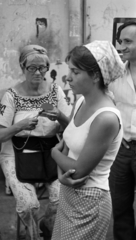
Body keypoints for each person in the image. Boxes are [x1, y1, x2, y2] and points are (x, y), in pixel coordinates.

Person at [0, 44, 72, 240]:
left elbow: (71, 126)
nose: (38, 72)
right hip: (17, 151)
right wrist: (20, 125)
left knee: (61, 197)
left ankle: (47, 222)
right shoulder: (11, 96)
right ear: (22, 67)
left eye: (42, 68)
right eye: (32, 68)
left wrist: (60, 116)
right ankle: (34, 233)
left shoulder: (54, 91)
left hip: (50, 151)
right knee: (28, 204)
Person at [50, 40, 125, 240]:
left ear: (95, 75)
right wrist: (60, 175)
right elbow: (68, 146)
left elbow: (78, 172)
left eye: (75, 72)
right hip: (68, 193)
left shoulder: (106, 118)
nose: (68, 77)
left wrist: (53, 153)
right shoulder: (82, 100)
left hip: (90, 200)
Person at [109, 21, 136, 240]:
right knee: (119, 207)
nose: (121, 46)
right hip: (122, 150)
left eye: (128, 41)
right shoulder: (115, 75)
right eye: (121, 41)